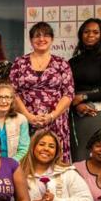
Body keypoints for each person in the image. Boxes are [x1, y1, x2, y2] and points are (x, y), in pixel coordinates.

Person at [11, 22, 75, 163]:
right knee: (26, 161)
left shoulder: (62, 64)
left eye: (46, 35)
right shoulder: (19, 63)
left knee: (55, 162)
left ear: (52, 39)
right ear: (31, 40)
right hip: (25, 120)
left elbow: (68, 94)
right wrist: (28, 116)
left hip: (56, 120)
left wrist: (52, 116)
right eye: (37, 36)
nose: (41, 39)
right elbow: (12, 93)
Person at [69, 19, 101, 161]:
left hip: (95, 115)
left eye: (95, 32)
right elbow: (66, 89)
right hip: (74, 113)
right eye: (86, 32)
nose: (90, 35)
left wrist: (84, 97)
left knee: (97, 156)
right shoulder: (73, 62)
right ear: (81, 35)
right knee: (78, 157)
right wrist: (76, 104)